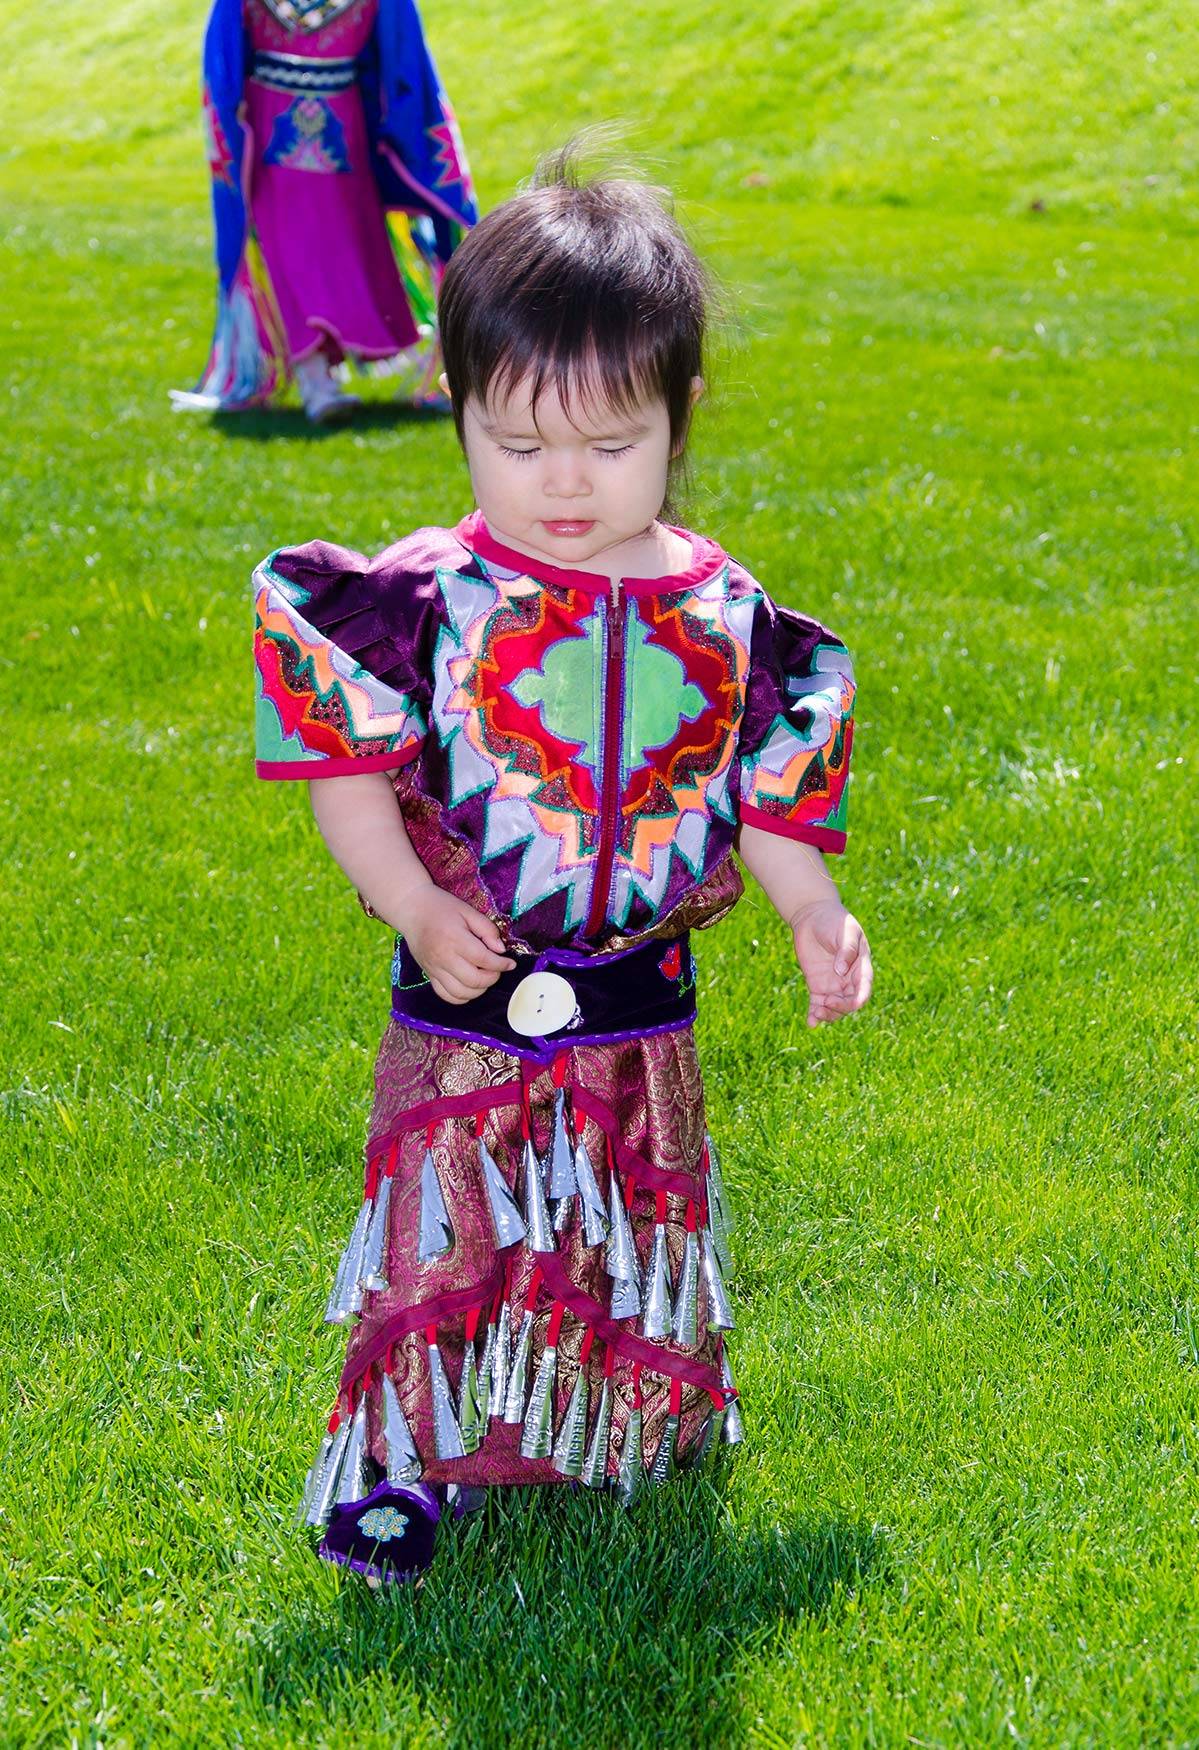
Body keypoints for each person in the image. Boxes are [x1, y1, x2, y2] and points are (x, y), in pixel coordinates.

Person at [251, 152, 873, 1584]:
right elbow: (343, 758)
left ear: (679, 415)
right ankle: (410, 1454)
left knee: (621, 1213)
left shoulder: (723, 617)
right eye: (515, 443)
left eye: (606, 440)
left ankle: (617, 1417)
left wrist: (811, 909)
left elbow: (765, 787)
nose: (563, 482)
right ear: (460, 414)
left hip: (637, 1006)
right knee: (448, 1229)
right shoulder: (426, 596)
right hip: (465, 1000)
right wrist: (408, 898)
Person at [172, 0, 476, 424]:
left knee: (344, 252)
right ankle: (316, 380)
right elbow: (224, 55)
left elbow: (405, 62)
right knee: (288, 247)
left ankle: (333, 367)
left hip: (345, 133)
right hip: (269, 130)